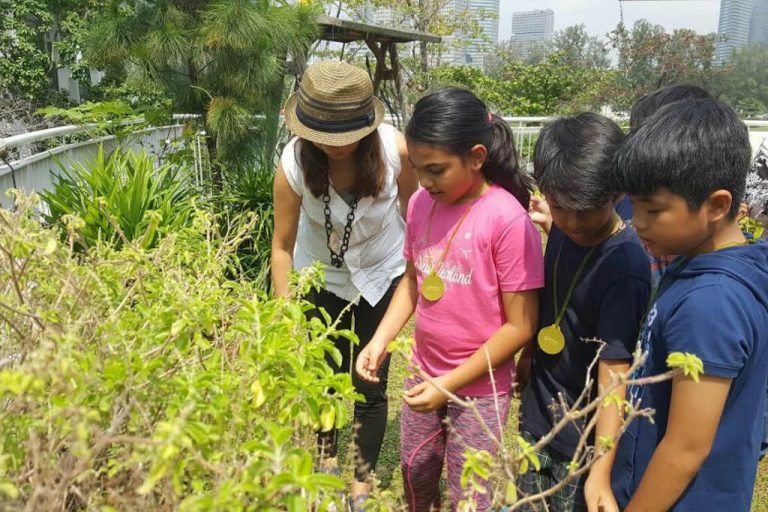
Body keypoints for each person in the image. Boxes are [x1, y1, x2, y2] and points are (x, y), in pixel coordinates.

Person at [355, 87, 544, 511]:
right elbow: (412, 282)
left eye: (437, 169)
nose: (424, 181)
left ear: (477, 157)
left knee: (470, 494)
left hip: (479, 389)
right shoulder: (422, 203)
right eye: (418, 168)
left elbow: (520, 326)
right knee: (415, 471)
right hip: (424, 373)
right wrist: (380, 340)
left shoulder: (507, 220)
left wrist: (448, 385)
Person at [271, 60, 418, 509]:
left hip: (381, 274)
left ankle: (360, 486)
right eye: (323, 135)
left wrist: (418, 283)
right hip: (320, 277)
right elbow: (282, 245)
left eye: (344, 135)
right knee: (326, 380)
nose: (333, 146)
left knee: (370, 383)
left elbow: (416, 222)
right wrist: (286, 313)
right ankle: (326, 461)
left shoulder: (396, 153)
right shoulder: (294, 162)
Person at [610, 98, 768, 511]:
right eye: (634, 206)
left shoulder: (711, 304)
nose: (637, 221)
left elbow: (685, 449)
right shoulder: (701, 266)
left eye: (654, 209)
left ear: (716, 205)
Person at [518, 113, 651, 512]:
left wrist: (600, 471)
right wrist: (527, 356)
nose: (573, 222)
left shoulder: (624, 267)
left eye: (586, 209)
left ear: (616, 195)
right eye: (561, 206)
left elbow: (615, 371)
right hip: (537, 416)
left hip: (582, 441)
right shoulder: (561, 224)